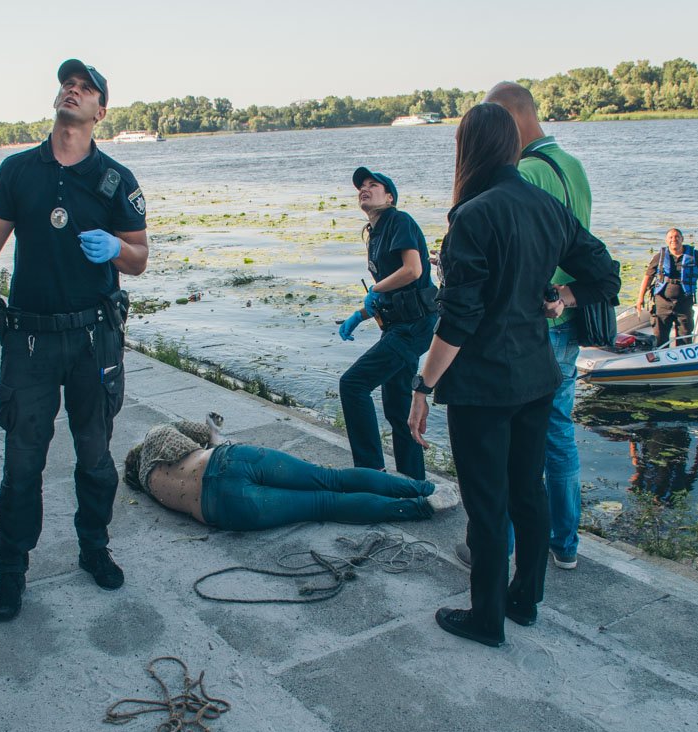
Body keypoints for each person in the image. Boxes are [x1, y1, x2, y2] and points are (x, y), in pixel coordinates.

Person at [408, 103, 620, 648]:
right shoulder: (546, 206)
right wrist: (562, 297)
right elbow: (605, 273)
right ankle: (524, 600)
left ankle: (487, 618)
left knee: (486, 502)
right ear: (510, 145)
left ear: (468, 148)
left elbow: (459, 319)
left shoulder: (472, 216)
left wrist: (423, 386)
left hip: (483, 386)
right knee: (528, 491)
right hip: (536, 375)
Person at [0, 58, 149, 622]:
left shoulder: (116, 180)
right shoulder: (18, 171)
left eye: (85, 89)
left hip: (93, 339)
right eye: (68, 85)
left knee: (95, 458)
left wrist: (116, 248)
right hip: (30, 340)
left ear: (100, 112)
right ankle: (11, 571)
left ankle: (94, 549)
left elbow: (138, 257)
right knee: (21, 463)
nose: (73, 91)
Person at [465, 80, 593, 572]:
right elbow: (584, 248)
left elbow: (514, 251)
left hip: (533, 323)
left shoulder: (527, 172)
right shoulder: (573, 166)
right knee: (559, 434)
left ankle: (503, 546)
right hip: (569, 316)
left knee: (515, 445)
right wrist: (569, 294)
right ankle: (565, 543)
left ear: (512, 118)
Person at [124, 413, 456, 530]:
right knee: (331, 478)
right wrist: (213, 430)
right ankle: (426, 488)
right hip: (229, 460)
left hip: (223, 508)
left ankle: (422, 507)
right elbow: (209, 434)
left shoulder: (151, 488)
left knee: (325, 505)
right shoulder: (156, 435)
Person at [337, 167, 437, 479]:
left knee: (353, 384)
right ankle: (413, 482)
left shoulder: (399, 221)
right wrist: (360, 315)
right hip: (397, 325)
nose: (364, 189)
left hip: (415, 326)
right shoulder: (375, 234)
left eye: (373, 185)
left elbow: (413, 270)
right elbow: (389, 292)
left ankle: (371, 473)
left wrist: (375, 290)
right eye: (361, 186)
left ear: (390, 197)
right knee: (397, 407)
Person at [635, 228, 698, 347]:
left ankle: (682, 356)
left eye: (677, 237)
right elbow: (648, 277)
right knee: (660, 335)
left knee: (685, 335)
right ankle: (662, 355)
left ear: (682, 239)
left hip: (684, 301)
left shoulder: (694, 255)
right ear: (666, 241)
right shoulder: (659, 257)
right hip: (662, 301)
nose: (674, 239)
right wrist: (640, 298)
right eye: (670, 237)